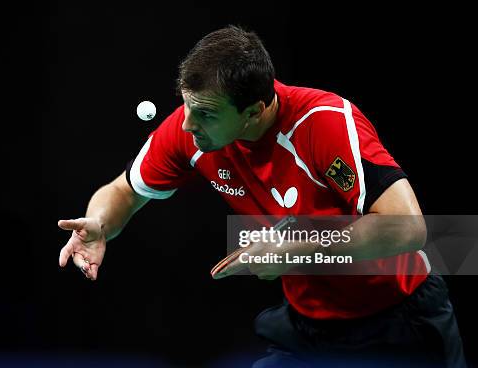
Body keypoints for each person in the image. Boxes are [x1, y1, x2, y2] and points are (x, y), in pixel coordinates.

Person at [58, 25, 466, 367]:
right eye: (186, 106)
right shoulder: (193, 130)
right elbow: (123, 190)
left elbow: (409, 228)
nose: (186, 125)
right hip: (308, 327)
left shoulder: (323, 124)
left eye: (205, 113)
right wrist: (100, 224)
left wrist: (292, 250)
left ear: (254, 111)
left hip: (400, 321)